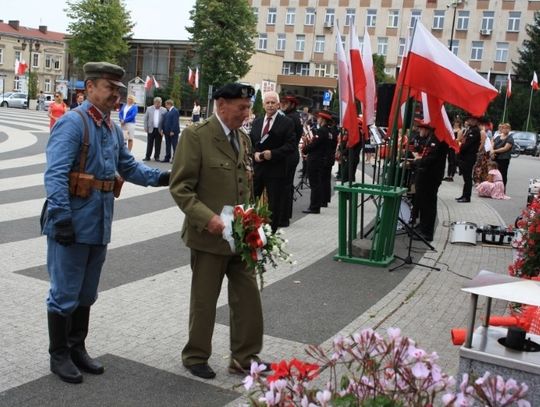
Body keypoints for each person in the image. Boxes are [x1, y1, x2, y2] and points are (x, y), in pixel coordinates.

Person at [42, 62, 170, 384]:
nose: (116, 94)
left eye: (118, 89)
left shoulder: (111, 129)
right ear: (89, 88)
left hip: (99, 223)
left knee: (86, 293)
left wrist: (164, 177)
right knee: (64, 292)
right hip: (71, 222)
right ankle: (59, 355)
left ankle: (76, 347)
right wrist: (61, 218)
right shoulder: (73, 123)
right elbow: (55, 174)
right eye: (109, 88)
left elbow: (128, 167)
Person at [169, 83, 268, 380]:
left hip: (240, 236)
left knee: (248, 298)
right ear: (222, 105)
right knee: (204, 299)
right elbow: (180, 187)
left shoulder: (243, 138)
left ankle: (244, 358)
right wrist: (207, 218)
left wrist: (256, 223)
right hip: (208, 237)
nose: (247, 113)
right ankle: (195, 355)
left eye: (248, 107)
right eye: (242, 107)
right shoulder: (196, 136)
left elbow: (245, 184)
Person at [249, 91, 296, 232]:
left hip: (276, 169)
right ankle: (250, 229)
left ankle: (271, 233)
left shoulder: (287, 122)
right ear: (263, 105)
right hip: (258, 168)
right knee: (251, 200)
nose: (270, 105)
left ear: (278, 105)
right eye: (267, 103)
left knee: (274, 204)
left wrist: (273, 154)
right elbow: (250, 143)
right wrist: (254, 154)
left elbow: (291, 146)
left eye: (273, 103)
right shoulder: (257, 122)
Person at [410, 120, 449, 242]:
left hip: (431, 176)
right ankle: (422, 227)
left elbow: (431, 158)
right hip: (426, 175)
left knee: (428, 205)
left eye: (421, 128)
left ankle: (427, 232)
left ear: (427, 129)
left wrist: (416, 162)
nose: (419, 130)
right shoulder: (431, 138)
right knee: (422, 203)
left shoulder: (437, 139)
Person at [302, 111, 333, 214]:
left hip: (316, 160)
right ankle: (318, 204)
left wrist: (304, 149)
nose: (318, 120)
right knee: (318, 183)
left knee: (315, 184)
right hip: (321, 159)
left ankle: (314, 206)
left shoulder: (321, 131)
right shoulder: (328, 132)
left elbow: (314, 145)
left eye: (319, 118)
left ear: (323, 120)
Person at [279, 95, 303, 227]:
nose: (282, 104)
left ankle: (283, 218)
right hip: (292, 154)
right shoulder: (294, 117)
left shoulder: (289, 118)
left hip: (288, 155)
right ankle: (285, 215)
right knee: (287, 186)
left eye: (285, 103)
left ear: (292, 104)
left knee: (284, 187)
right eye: (282, 102)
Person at [456, 115, 481, 203]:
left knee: (467, 177)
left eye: (470, 119)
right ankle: (464, 195)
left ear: (475, 121)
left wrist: (459, 148)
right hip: (465, 156)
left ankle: (467, 197)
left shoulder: (475, 131)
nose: (469, 121)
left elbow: (467, 144)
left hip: (469, 156)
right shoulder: (470, 129)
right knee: (465, 177)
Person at [491, 122, 514, 190]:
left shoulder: (510, 138)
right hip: (495, 157)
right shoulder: (498, 136)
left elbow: (505, 148)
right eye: (503, 128)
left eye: (507, 128)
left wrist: (494, 151)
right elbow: (492, 143)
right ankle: (493, 188)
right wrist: (492, 150)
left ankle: (502, 189)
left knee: (502, 174)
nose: (505, 129)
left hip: (504, 158)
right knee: (494, 173)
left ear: (509, 129)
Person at [143, 97, 166, 161]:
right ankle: (147, 156)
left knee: (158, 144)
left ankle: (157, 157)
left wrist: (163, 129)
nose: (158, 105)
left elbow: (165, 121)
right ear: (154, 103)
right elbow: (145, 119)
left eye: (160, 103)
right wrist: (145, 127)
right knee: (149, 143)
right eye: (157, 103)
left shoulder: (164, 110)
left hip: (159, 129)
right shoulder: (149, 109)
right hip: (151, 128)